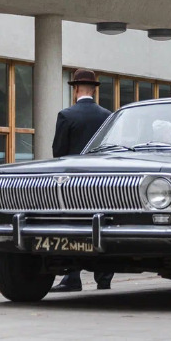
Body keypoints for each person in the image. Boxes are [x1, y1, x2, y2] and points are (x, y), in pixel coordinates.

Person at [50, 69, 114, 293]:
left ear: (75, 89)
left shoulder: (66, 115)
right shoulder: (107, 116)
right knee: (103, 224)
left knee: (72, 226)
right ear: (94, 90)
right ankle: (104, 278)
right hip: (102, 181)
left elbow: (59, 151)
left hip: (74, 182)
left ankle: (72, 277)